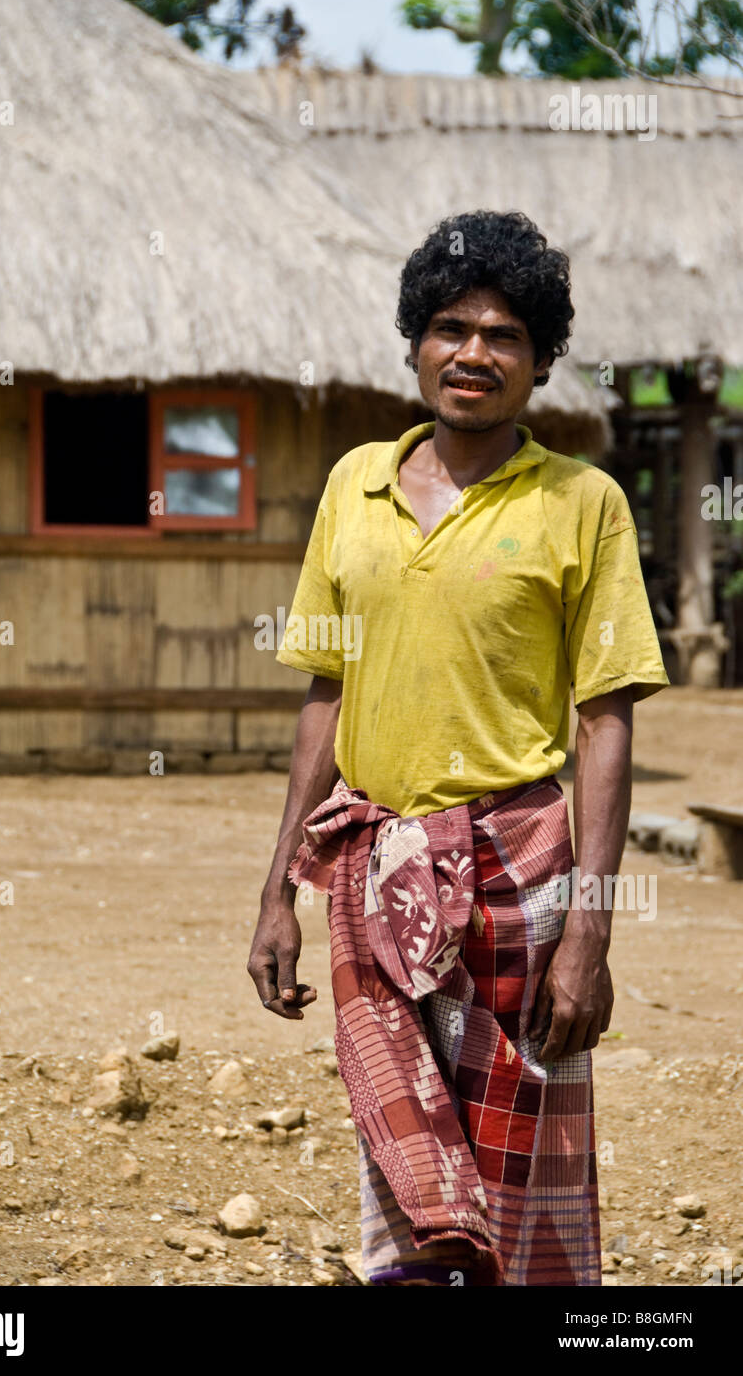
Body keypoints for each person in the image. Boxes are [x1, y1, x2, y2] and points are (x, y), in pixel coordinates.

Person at [247, 210, 669, 1286]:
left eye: (504, 335)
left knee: (526, 1155)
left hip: (517, 875)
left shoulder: (585, 505)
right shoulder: (354, 486)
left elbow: (605, 722)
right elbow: (325, 692)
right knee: (404, 1160)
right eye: (450, 327)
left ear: (539, 362)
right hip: (371, 871)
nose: (473, 352)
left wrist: (591, 931)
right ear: (414, 341)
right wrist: (274, 892)